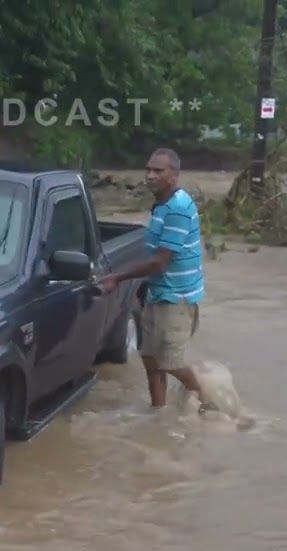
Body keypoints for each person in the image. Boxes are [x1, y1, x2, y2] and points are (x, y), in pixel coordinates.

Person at [98, 148, 214, 411]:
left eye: (158, 171)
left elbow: (159, 263)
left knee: (170, 363)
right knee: (150, 360)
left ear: (174, 175)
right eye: (148, 169)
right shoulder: (162, 203)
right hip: (157, 293)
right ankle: (159, 414)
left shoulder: (178, 209)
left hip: (176, 297)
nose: (150, 176)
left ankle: (205, 398)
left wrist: (117, 277)